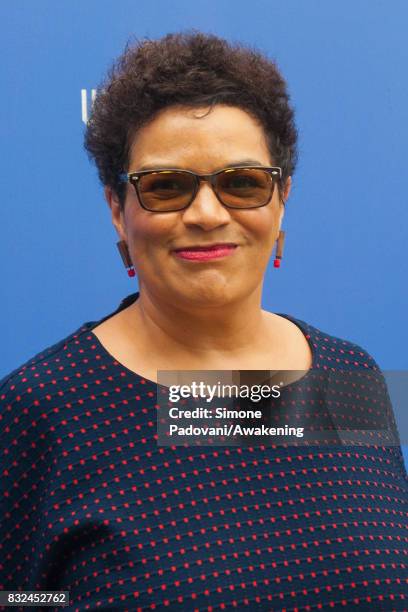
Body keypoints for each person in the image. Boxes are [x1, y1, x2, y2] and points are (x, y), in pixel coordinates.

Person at [1, 30, 407, 611]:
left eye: (242, 183)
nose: (207, 214)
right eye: (166, 187)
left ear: (282, 196)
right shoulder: (42, 410)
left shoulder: (351, 376)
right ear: (118, 210)